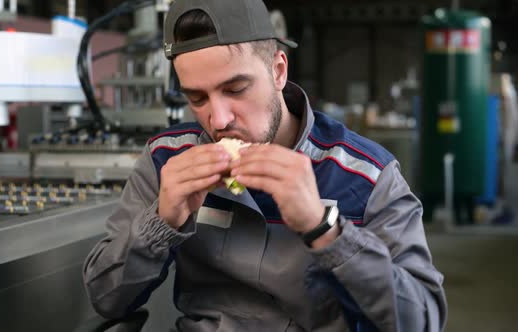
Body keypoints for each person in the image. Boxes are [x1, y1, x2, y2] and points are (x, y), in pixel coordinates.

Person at [83, 0, 447, 331]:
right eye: (197, 98)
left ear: (278, 70)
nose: (219, 120)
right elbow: (107, 299)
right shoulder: (167, 160)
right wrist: (160, 223)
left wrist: (326, 230)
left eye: (236, 89)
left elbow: (421, 321)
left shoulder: (366, 176)